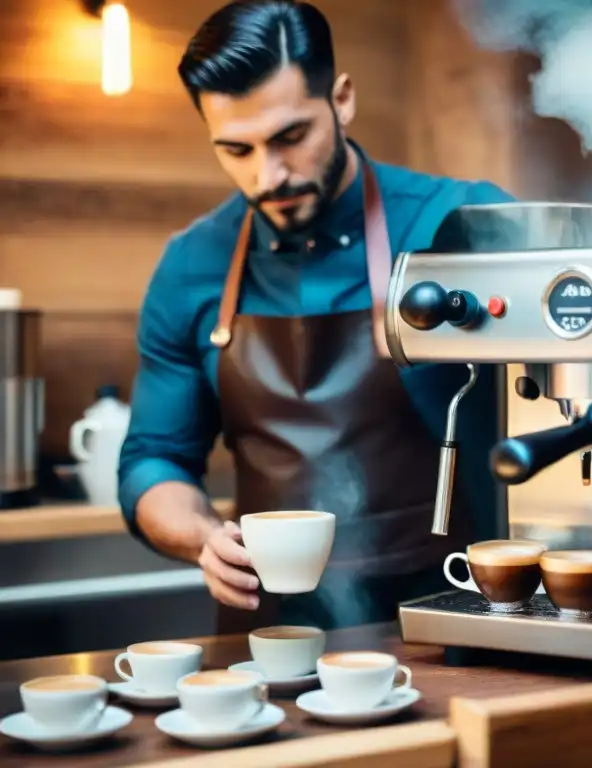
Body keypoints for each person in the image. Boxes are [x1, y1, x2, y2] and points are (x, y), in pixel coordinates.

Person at [118, 0, 512, 633]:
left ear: (342, 99)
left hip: (457, 616)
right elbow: (153, 458)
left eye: (290, 138)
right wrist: (199, 538)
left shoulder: (460, 224)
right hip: (271, 631)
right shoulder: (191, 265)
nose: (266, 175)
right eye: (235, 150)